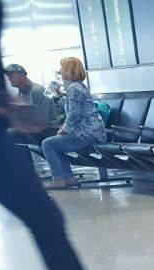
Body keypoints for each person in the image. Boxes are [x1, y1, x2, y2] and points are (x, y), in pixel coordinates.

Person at [0, 4, 154, 270]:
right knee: (45, 220)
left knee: (45, 212)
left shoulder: (73, 91)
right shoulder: (74, 90)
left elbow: (76, 119)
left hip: (82, 134)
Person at [40, 56, 106, 189]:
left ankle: (59, 179)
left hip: (87, 133)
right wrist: (60, 96)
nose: (60, 71)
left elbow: (74, 114)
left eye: (62, 68)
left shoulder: (73, 88)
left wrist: (64, 129)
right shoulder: (78, 86)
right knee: (55, 144)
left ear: (68, 70)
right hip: (93, 131)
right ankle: (68, 178)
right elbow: (75, 108)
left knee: (47, 143)